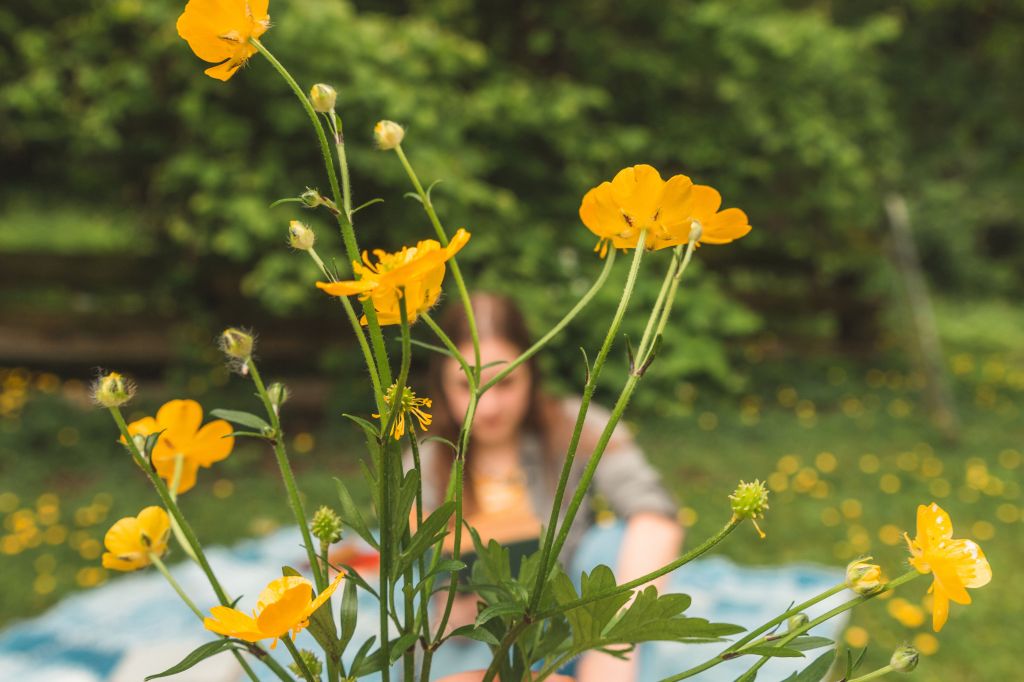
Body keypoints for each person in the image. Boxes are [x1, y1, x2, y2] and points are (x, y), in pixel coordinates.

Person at [411, 292, 684, 681]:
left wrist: (615, 637)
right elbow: (414, 568)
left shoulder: (577, 426)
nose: (488, 406)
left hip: (577, 624)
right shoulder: (425, 460)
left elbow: (655, 515)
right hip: (479, 637)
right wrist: (450, 606)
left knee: (611, 543)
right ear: (441, 384)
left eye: (505, 383)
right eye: (466, 384)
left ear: (532, 374)